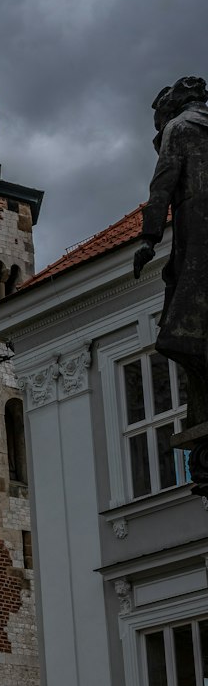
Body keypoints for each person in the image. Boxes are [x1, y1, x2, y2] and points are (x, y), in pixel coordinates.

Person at [134, 75, 208, 427]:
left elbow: (162, 184)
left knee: (180, 330)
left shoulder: (179, 128)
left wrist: (149, 238)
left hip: (196, 230)